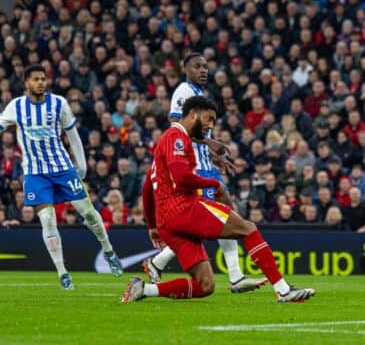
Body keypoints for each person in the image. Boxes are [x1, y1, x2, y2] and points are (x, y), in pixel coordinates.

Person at [121, 96, 315, 303]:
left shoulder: (166, 145)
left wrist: (152, 225)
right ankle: (284, 290)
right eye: (208, 118)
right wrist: (214, 184)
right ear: (193, 113)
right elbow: (181, 177)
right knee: (248, 229)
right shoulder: (176, 137)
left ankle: (143, 290)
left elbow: (147, 187)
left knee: (205, 285)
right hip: (183, 208)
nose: (210, 125)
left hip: (167, 222)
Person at [143, 53, 265, 293]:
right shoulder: (184, 92)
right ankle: (158, 263)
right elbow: (177, 128)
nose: (203, 70)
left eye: (206, 67)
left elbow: (197, 137)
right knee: (214, 218)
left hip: (204, 164)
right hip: (192, 168)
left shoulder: (198, 95)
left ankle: (235, 275)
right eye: (197, 66)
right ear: (184, 68)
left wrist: (213, 155)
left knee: (224, 213)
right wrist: (212, 144)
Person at [0, 64, 122, 289]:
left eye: (43, 79)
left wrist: (82, 165)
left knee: (88, 212)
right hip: (36, 173)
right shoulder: (16, 107)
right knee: (47, 220)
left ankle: (108, 250)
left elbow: (72, 135)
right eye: (36, 79)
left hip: (63, 169)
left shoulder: (59, 103)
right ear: (27, 83)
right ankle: (63, 273)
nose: (41, 83)